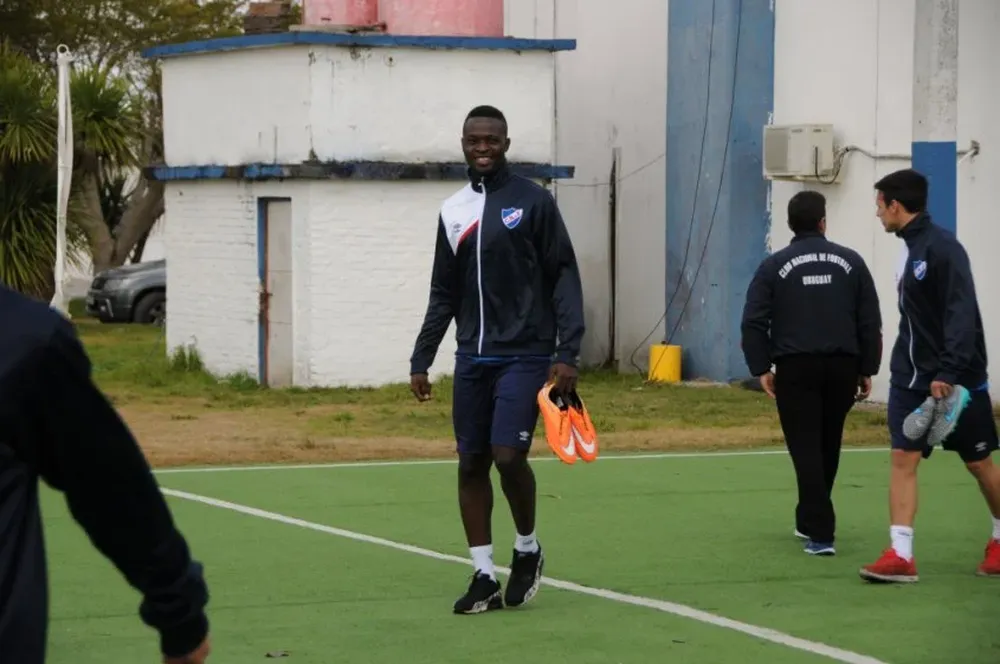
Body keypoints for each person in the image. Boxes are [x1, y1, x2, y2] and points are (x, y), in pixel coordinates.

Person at [408, 104, 585, 614]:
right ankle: (483, 574)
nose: (482, 148)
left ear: (506, 143)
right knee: (471, 463)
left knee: (508, 456)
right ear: (463, 145)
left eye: (491, 140)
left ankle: (527, 548)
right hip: (473, 359)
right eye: (473, 140)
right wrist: (423, 357)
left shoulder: (534, 202)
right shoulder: (453, 210)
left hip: (526, 354)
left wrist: (567, 350)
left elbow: (564, 275)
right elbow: (443, 291)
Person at [0, 285, 211, 662]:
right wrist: (179, 611)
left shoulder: (26, 341)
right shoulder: (23, 339)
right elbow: (108, 489)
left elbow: (107, 485)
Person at [859, 168, 1000, 582]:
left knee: (978, 464)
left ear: (896, 206)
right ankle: (901, 555)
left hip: (956, 381)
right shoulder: (905, 247)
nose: (877, 214)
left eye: (880, 206)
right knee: (903, 458)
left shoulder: (943, 249)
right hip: (911, 379)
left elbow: (961, 314)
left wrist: (951, 372)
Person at [741, 190, 882, 556]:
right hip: (842, 367)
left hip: (795, 367)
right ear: (823, 222)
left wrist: (761, 367)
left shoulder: (773, 266)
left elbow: (754, 321)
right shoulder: (851, 262)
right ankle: (809, 519)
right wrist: (867, 367)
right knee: (827, 444)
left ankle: (821, 533)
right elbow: (869, 320)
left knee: (804, 447)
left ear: (790, 225)